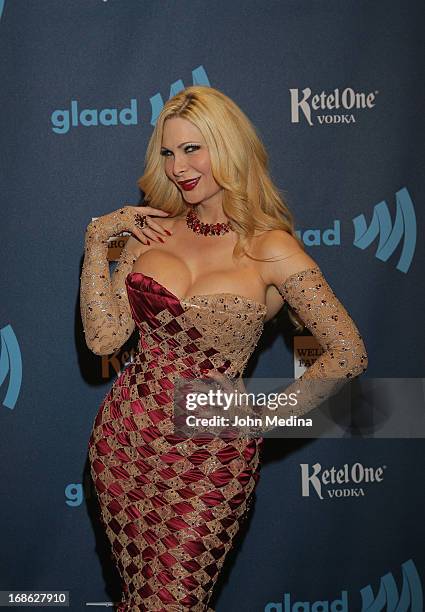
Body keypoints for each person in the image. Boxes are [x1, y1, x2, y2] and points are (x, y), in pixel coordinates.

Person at [80, 85, 368, 611]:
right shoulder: (148, 233)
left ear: (228, 148)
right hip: (126, 441)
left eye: (193, 149)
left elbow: (346, 352)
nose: (178, 167)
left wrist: (261, 417)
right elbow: (104, 337)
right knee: (139, 598)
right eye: (168, 152)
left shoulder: (271, 248)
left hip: (211, 453)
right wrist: (100, 239)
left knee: (175, 599)